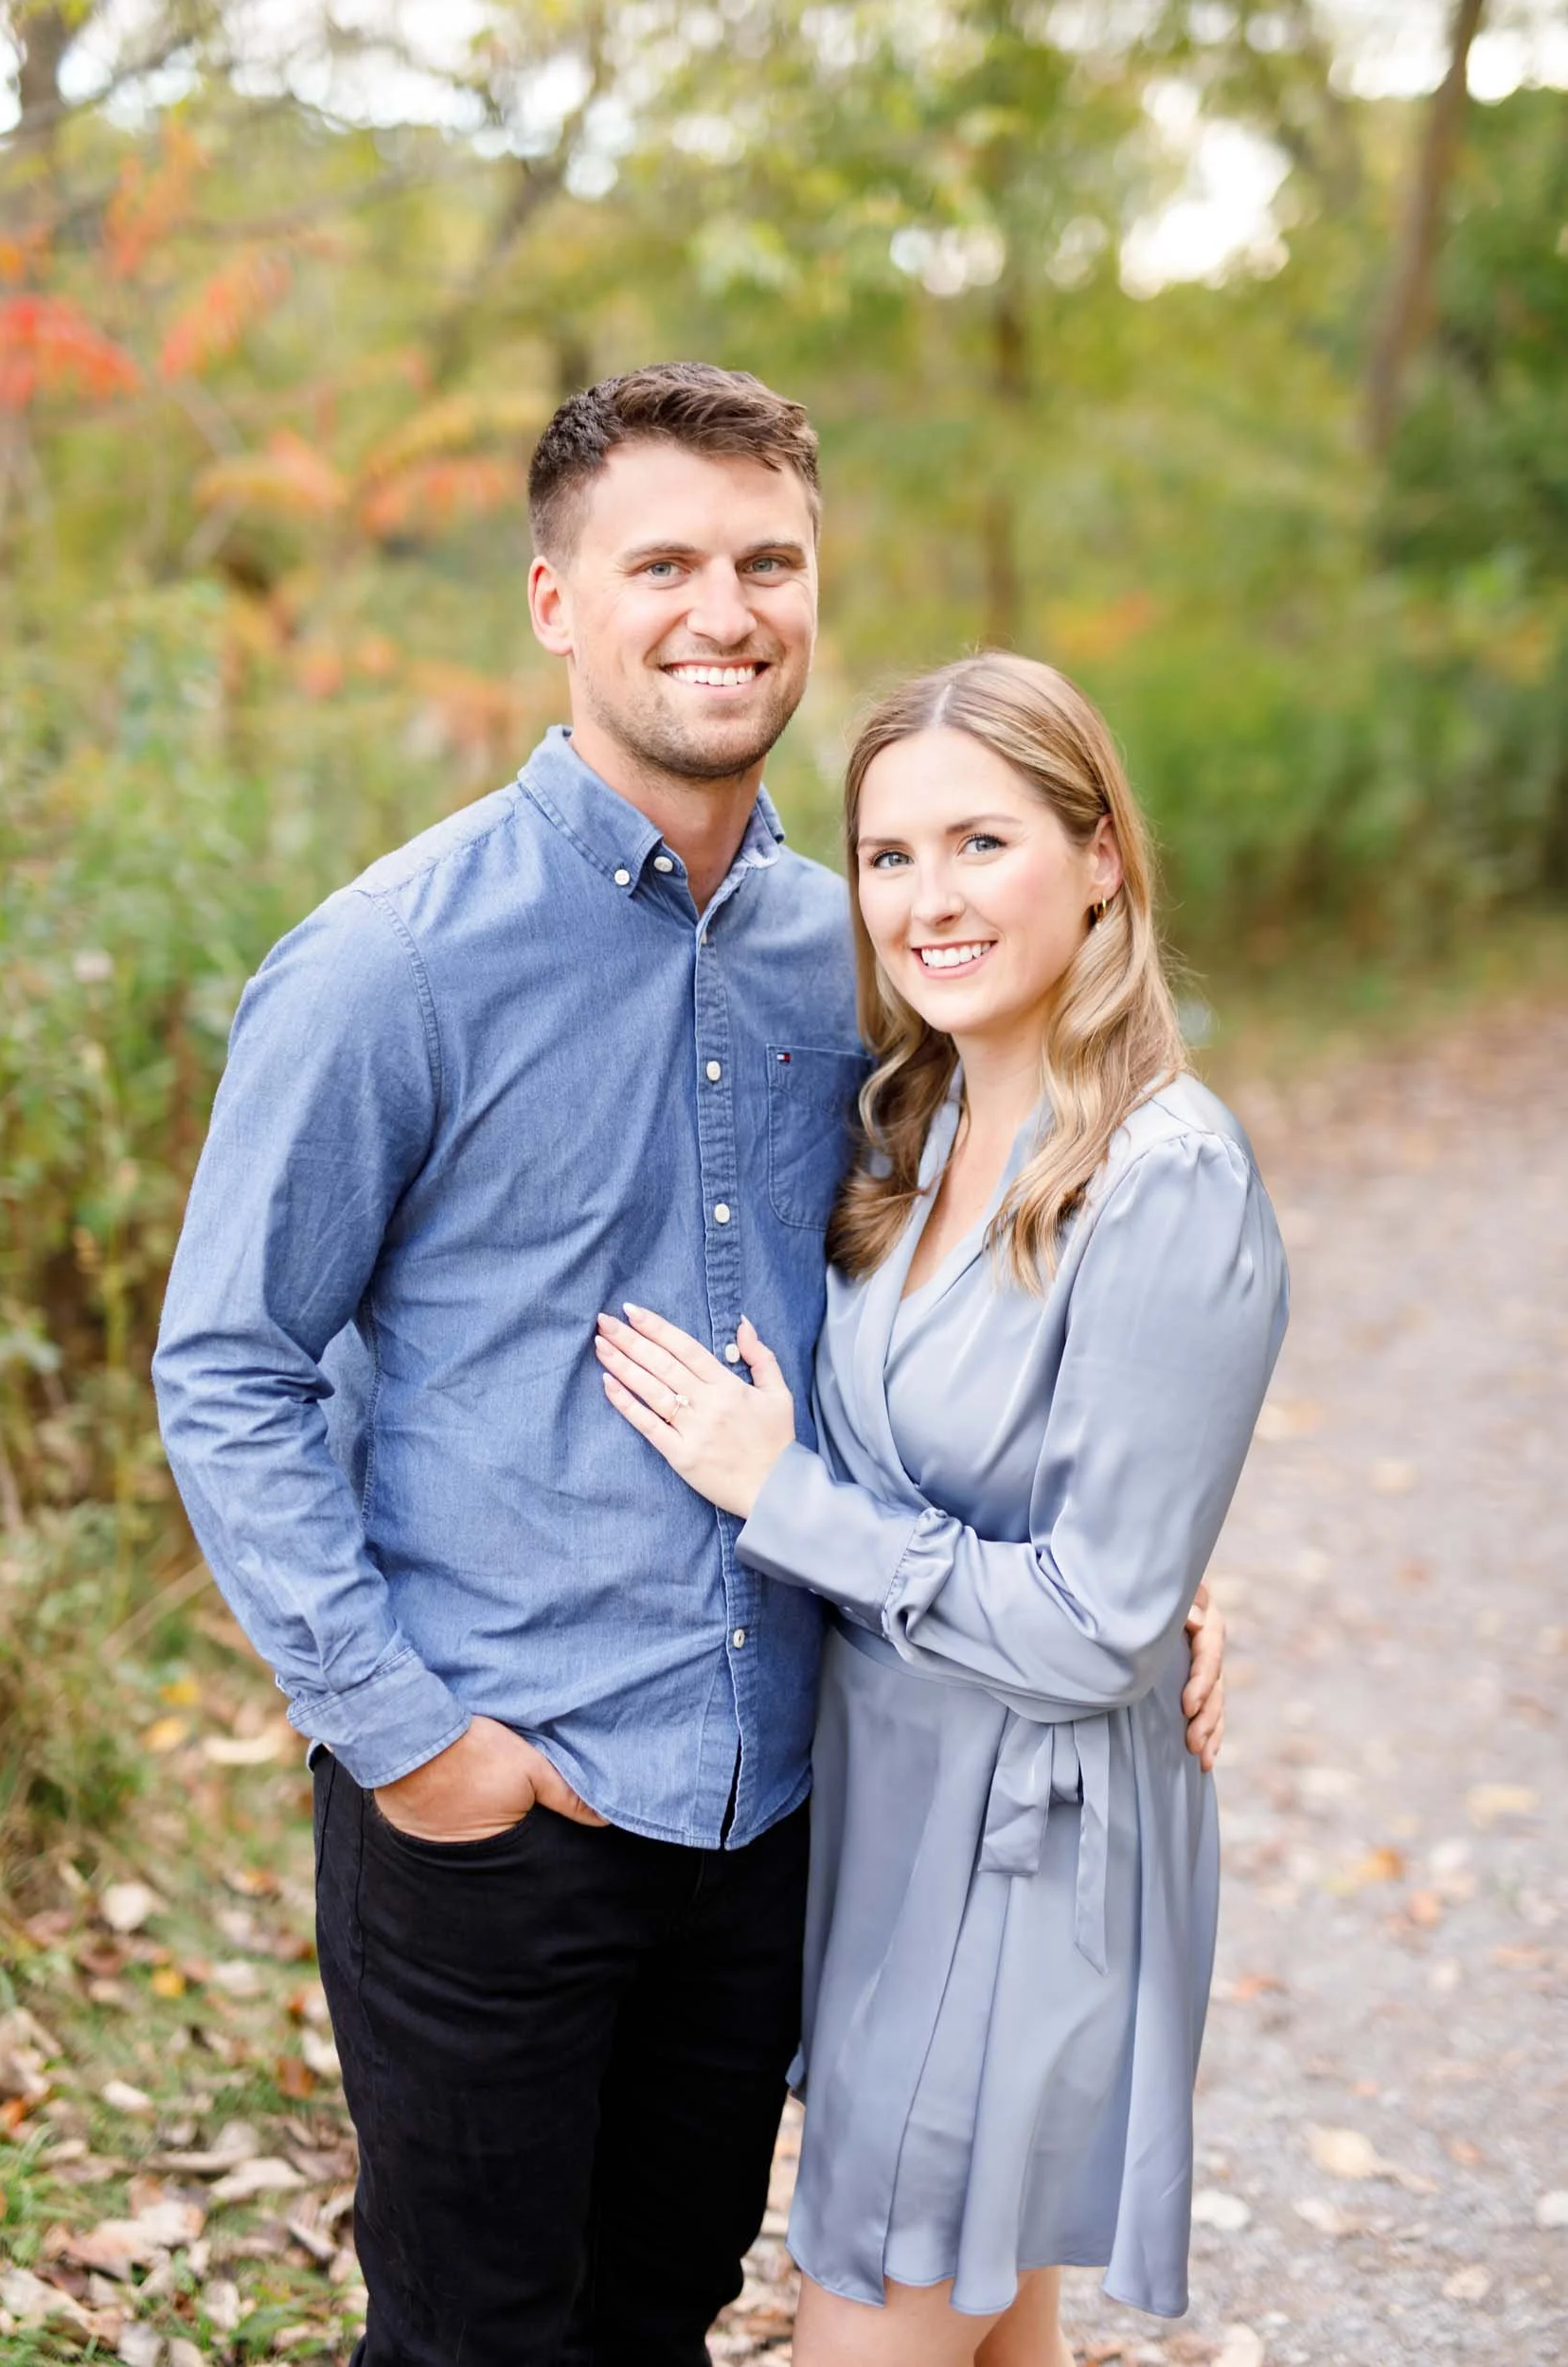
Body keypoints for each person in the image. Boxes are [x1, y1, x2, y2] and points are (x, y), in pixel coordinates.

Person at [152, 367, 1228, 2367]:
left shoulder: (869, 955)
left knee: (656, 2314)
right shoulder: (392, 959)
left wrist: (1132, 1561)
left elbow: (975, 1312)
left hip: (776, 1809)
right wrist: (403, 1734)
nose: (719, 608)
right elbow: (228, 1362)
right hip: (501, 1802)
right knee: (478, 2339)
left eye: (765, 560)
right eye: (660, 561)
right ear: (555, 598)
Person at [597, 651, 1288, 2367]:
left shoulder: (1163, 1176)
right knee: (986, 2328)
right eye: (891, 856)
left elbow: (1092, 1618)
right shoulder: (907, 1132)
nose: (927, 899)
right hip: (891, 1825)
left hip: (1028, 1847)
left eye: (981, 843)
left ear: (1101, 854)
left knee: (878, 2299)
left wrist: (784, 1496)